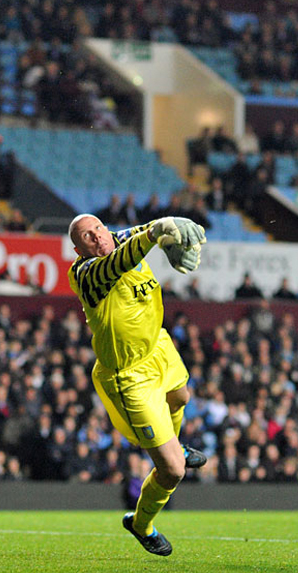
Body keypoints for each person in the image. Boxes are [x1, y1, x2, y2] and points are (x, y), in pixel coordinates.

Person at [67, 213, 207, 556]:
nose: (97, 237)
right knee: (173, 470)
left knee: (180, 396)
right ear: (78, 248)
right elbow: (122, 260)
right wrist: (155, 236)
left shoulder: (116, 237)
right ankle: (141, 524)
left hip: (156, 348)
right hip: (127, 375)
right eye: (87, 236)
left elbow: (146, 230)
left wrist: (172, 225)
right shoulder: (87, 274)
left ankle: (177, 445)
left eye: (98, 228)